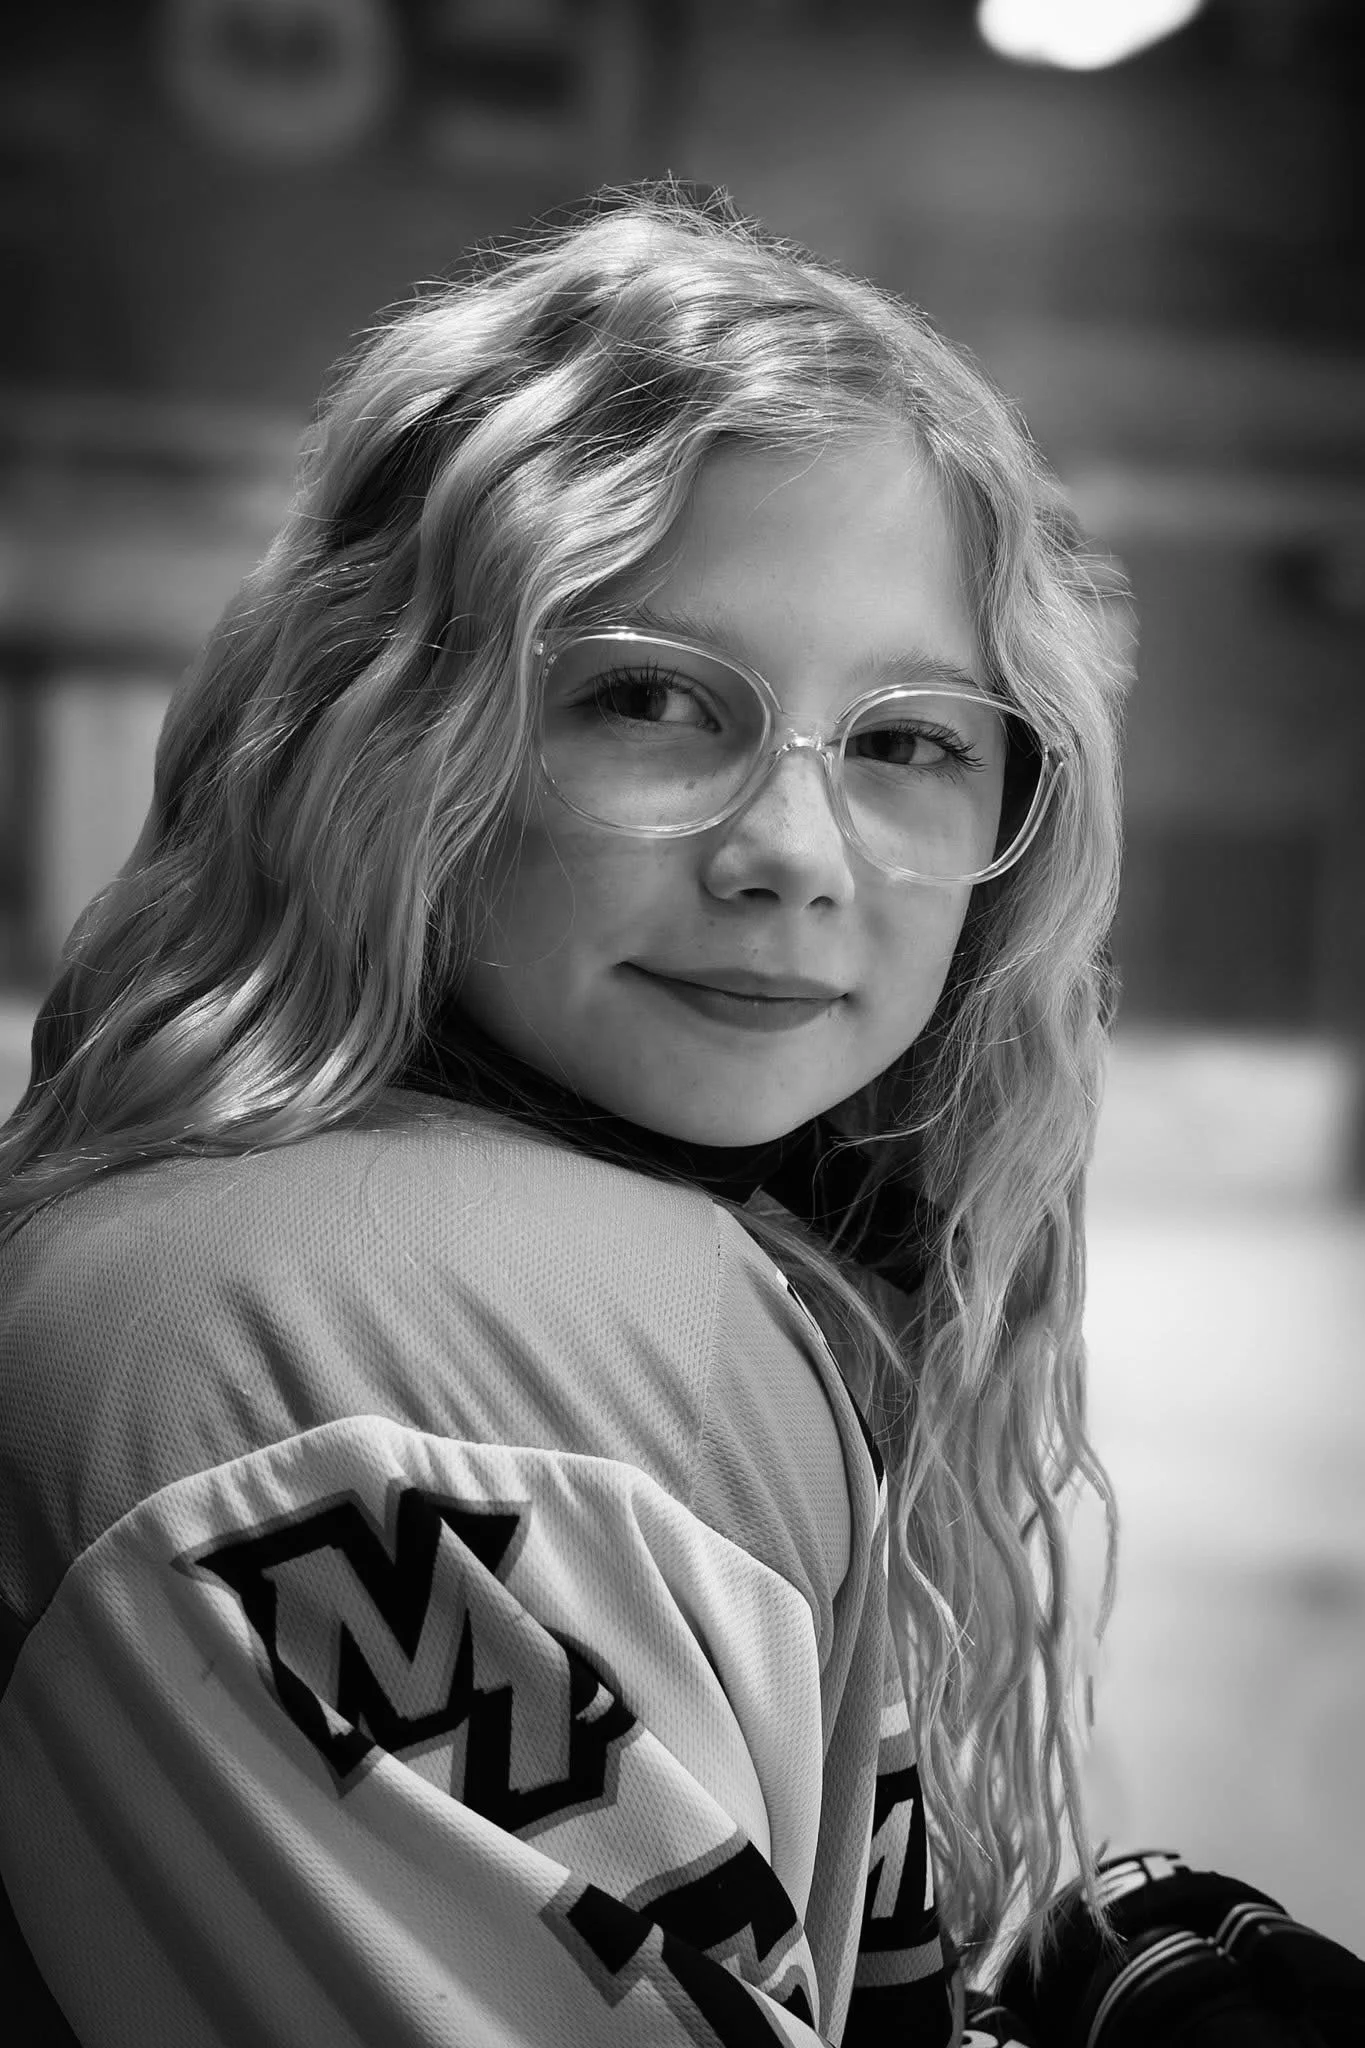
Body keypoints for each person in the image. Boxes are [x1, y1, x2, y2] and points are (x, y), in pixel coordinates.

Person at [0, 182, 1131, 2047]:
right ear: (391, 731)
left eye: (913, 741)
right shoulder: (403, 1348)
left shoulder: (684, 1258)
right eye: (651, 704)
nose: (794, 854)